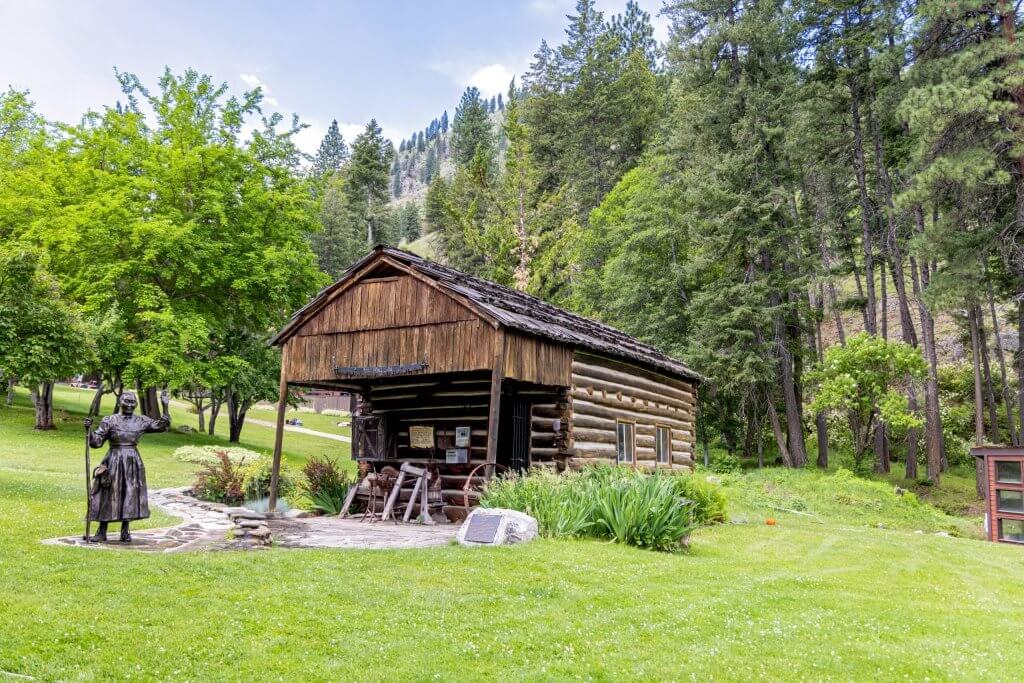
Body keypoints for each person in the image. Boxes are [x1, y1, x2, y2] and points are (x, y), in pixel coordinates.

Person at [83, 390, 170, 542]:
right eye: (126, 401)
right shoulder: (110, 420)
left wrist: (165, 406)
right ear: (119, 403)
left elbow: (161, 426)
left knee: (130, 493)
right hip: (114, 459)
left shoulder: (141, 421)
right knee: (108, 494)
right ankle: (101, 531)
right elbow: (96, 443)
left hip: (132, 461)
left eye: (132, 402)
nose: (129, 405)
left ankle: (125, 531)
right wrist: (89, 431)